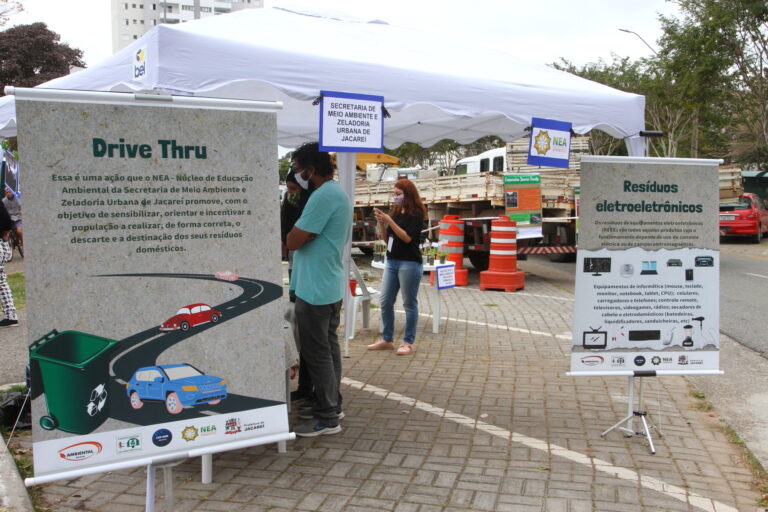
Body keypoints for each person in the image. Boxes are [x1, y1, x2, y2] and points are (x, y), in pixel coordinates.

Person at [286, 142, 352, 437]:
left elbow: (294, 240)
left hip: (316, 289)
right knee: (328, 350)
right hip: (325, 284)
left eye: (299, 170)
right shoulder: (333, 193)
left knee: (318, 354)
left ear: (311, 170)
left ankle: (328, 417)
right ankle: (332, 405)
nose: (296, 175)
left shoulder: (323, 196)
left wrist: (293, 231)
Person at [367, 179, 426, 355]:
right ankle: (387, 339)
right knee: (385, 300)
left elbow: (407, 238)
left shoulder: (416, 214)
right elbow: (387, 240)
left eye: (398, 194)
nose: (395, 197)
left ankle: (408, 342)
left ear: (408, 195)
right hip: (392, 261)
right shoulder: (396, 213)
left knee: (409, 303)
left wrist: (390, 221)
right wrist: (381, 222)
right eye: (394, 194)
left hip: (409, 262)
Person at [279, 169, 314, 403]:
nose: (290, 195)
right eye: (288, 190)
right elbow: (287, 243)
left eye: (294, 190)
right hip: (296, 275)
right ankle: (302, 383)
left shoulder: (311, 209)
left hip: (309, 281)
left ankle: (308, 385)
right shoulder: (289, 208)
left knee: (309, 333)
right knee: (296, 329)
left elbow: (295, 240)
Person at [0, 200, 18, 327]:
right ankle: (11, 315)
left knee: (1, 281)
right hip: (2, 243)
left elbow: (6, 221)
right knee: (1, 281)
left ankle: (11, 315)